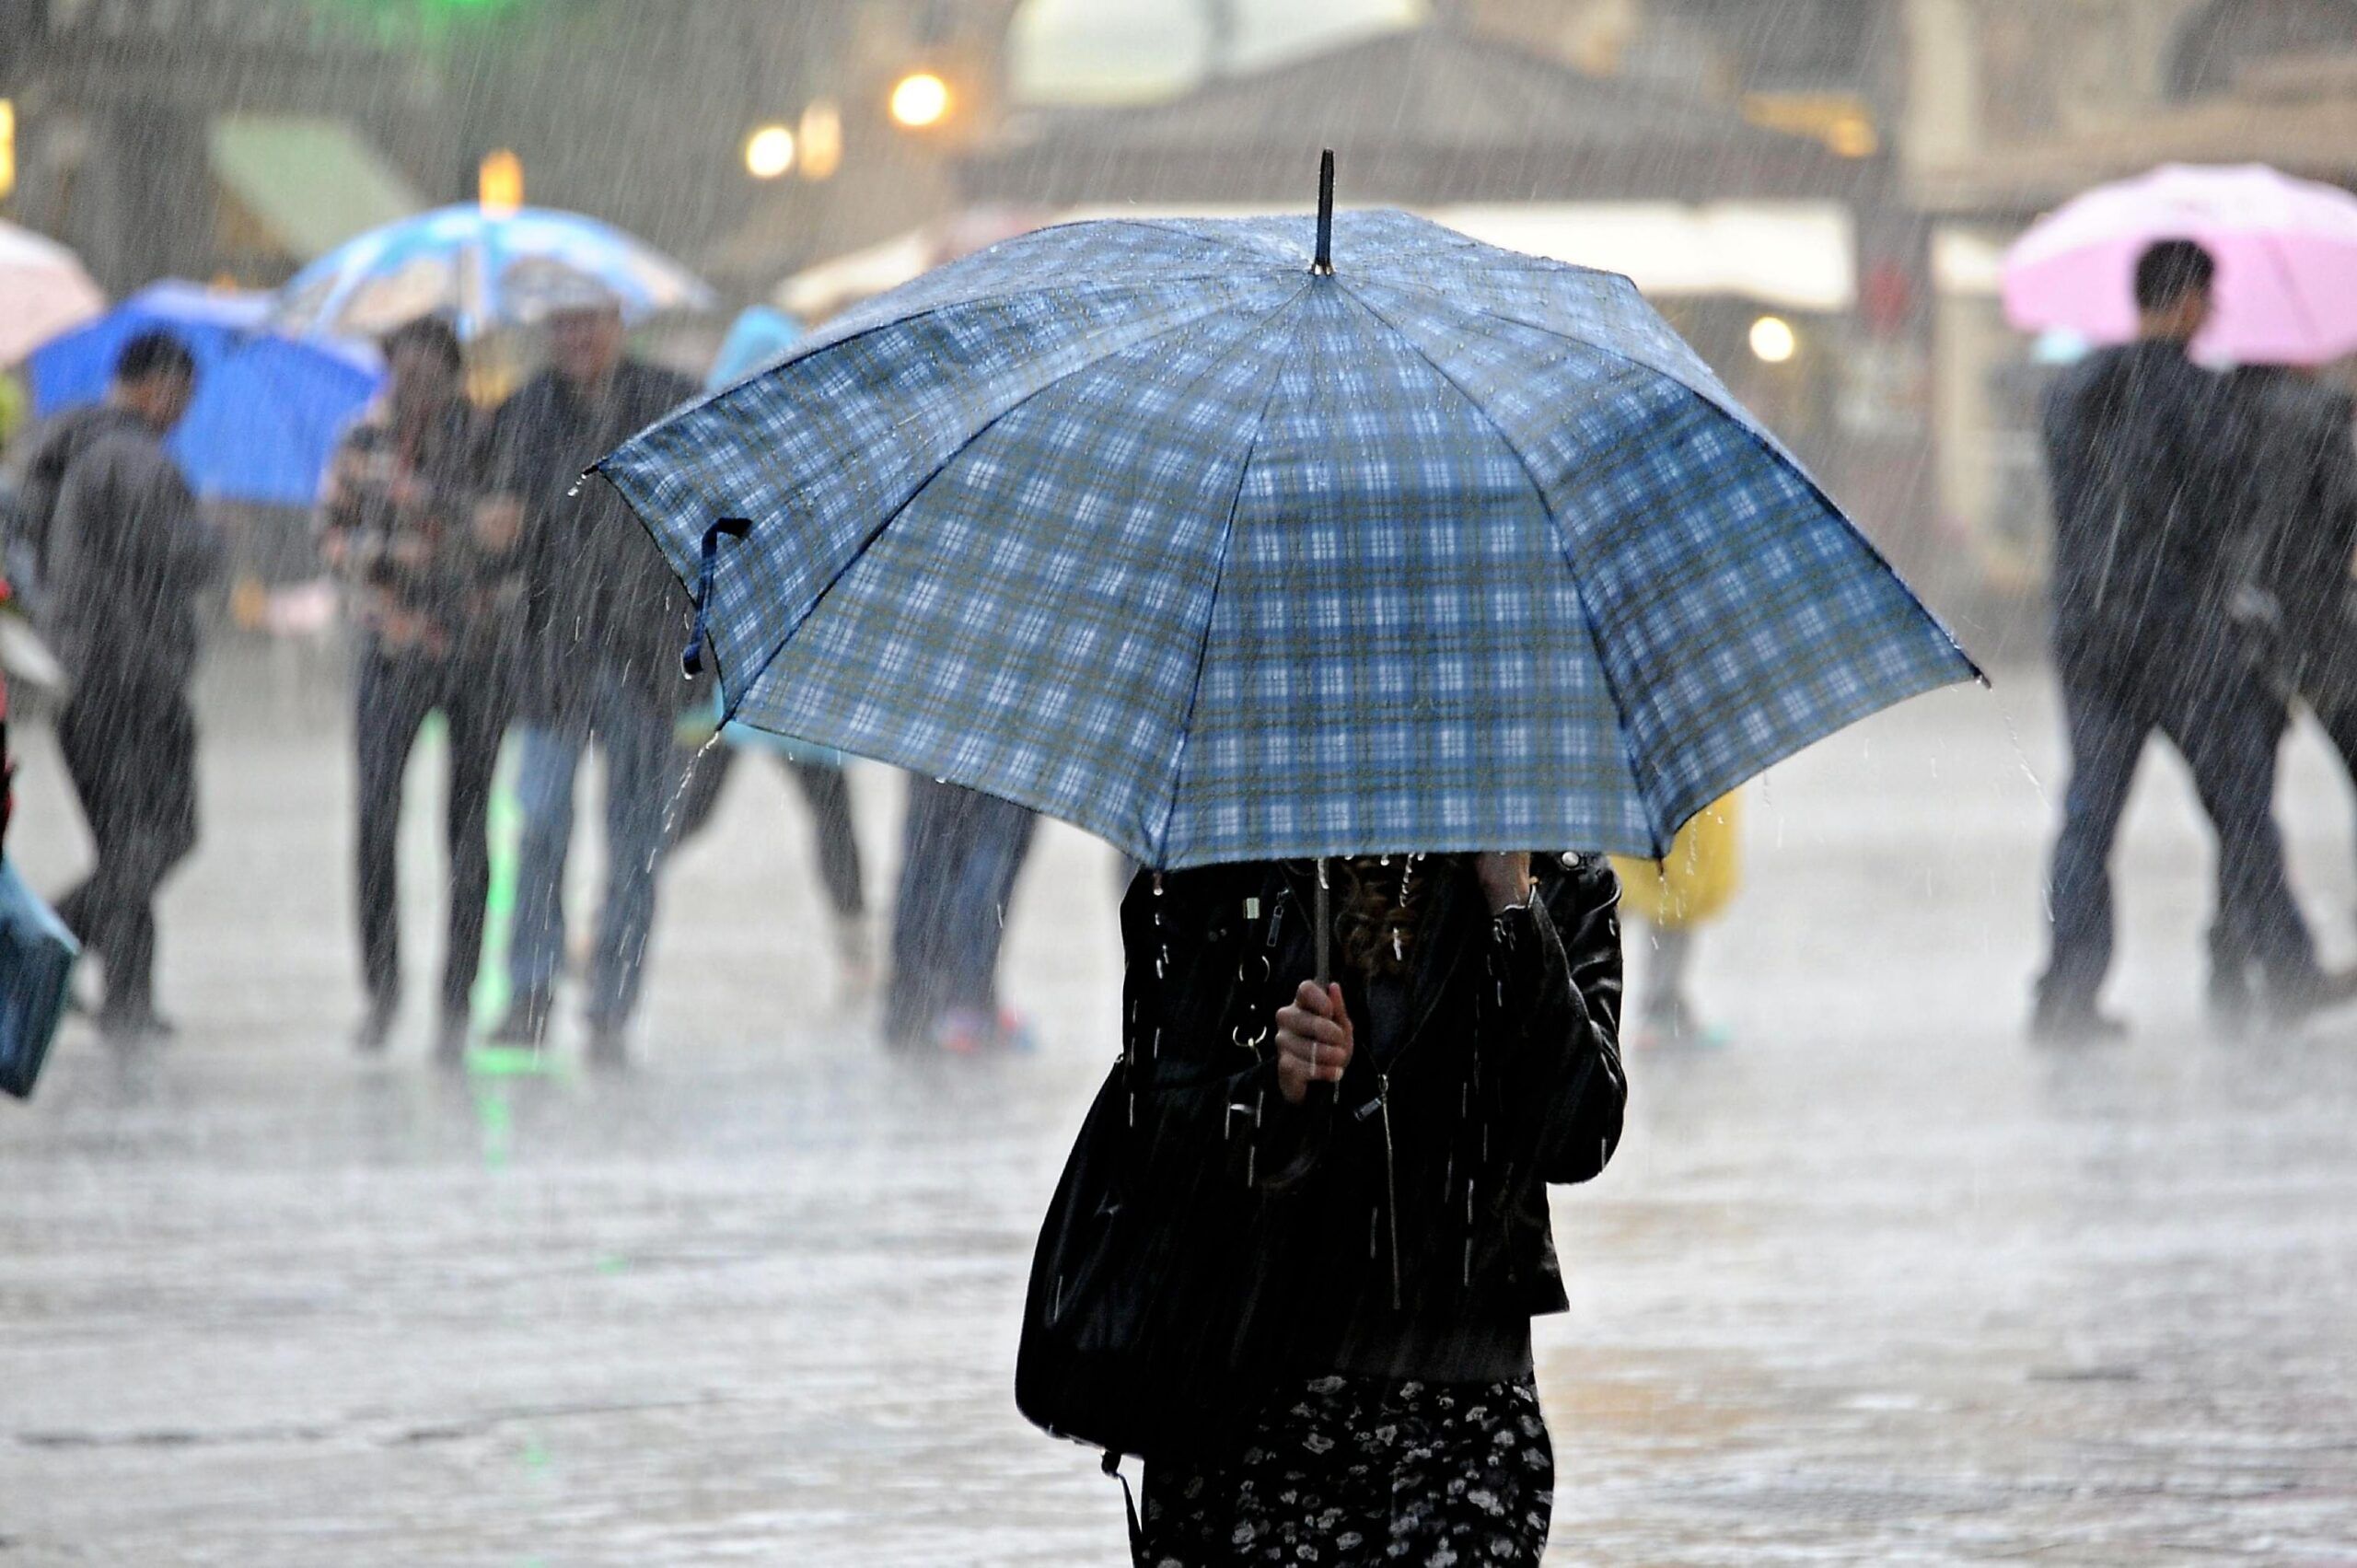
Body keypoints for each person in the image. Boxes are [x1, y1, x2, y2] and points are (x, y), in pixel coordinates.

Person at [1065, 852, 1625, 1564]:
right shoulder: (1223, 861)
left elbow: (1584, 1132)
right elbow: (1155, 1122)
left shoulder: (1551, 865)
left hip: (1464, 1417)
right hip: (1246, 1406)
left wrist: (1514, 909)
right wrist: (1274, 1087)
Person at [2033, 239, 2348, 1040]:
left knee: (2088, 819)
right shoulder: (2198, 397)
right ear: (2187, 299)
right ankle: (2283, 968)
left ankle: (2066, 992)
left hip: (2089, 631)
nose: (2213, 313)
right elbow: (2226, 506)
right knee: (2241, 808)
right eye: (2209, 297)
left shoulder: (2070, 391)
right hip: (2179, 636)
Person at [482, 290, 697, 1063]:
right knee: (537, 820)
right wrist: (495, 534)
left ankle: (612, 1000)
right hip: (552, 658)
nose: (575, 336)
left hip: (646, 659)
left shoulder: (672, 402)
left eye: (588, 320)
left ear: (618, 322)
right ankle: (530, 988)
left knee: (636, 842)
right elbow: (497, 535)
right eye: (561, 323)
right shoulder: (520, 413)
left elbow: (707, 526)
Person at [318, 315, 517, 1062]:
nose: (419, 387)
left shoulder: (490, 438)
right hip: (390, 652)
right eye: (405, 371)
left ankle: (456, 997)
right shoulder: (361, 442)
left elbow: (511, 536)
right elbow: (331, 537)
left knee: (468, 833)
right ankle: (382, 988)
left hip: (473, 653)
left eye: (433, 374)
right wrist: (396, 555)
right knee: (376, 821)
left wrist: (466, 535)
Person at [34, 331, 221, 1038]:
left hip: (81, 678)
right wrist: (214, 538)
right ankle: (37, 943)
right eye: (184, 395)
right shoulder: (134, 458)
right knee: (167, 833)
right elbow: (173, 557)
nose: (183, 412)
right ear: (160, 384)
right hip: (132, 680)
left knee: (125, 843)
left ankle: (129, 998)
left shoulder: (70, 449)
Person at [882, 776, 1036, 1051]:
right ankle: (967, 1004)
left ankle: (913, 1000)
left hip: (938, 743)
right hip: (1011, 750)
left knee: (929, 839)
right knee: (995, 841)